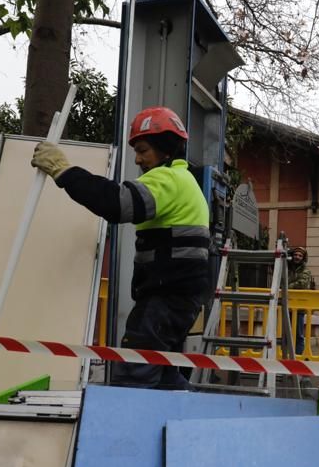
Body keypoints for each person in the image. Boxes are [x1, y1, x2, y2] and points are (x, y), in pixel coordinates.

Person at [30, 105, 208, 390]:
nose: (137, 159)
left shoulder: (168, 180)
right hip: (177, 298)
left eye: (143, 150)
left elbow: (116, 203)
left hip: (166, 298)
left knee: (135, 373)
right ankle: (186, 422)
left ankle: (128, 433)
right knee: (162, 375)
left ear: (165, 150)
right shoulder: (184, 181)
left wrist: (64, 171)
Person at [287, 246, 315, 355]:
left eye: (300, 255)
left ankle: (298, 356)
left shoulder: (306, 271)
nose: (297, 257)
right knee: (285, 332)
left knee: (298, 334)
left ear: (303, 258)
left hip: (299, 306)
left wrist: (286, 286)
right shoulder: (287, 268)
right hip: (286, 304)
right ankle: (285, 355)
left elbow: (302, 284)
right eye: (295, 255)